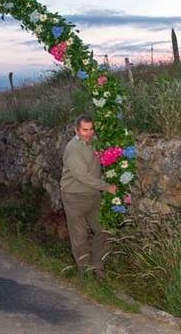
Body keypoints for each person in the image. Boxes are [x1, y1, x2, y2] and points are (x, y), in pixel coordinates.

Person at [60, 115, 117, 279]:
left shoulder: (94, 142)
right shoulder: (73, 148)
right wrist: (107, 187)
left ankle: (97, 265)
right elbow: (82, 176)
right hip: (74, 196)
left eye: (91, 129)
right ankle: (85, 272)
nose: (89, 133)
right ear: (76, 130)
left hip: (93, 195)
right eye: (85, 130)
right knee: (80, 236)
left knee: (104, 229)